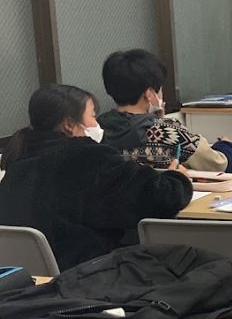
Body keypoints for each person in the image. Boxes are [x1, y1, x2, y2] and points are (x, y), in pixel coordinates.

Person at [0, 84, 192, 270]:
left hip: (23, 277)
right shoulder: (88, 157)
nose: (97, 124)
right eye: (92, 116)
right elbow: (160, 198)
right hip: (87, 273)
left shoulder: (17, 162)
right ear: (69, 125)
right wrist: (176, 178)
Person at [97, 49, 232, 172]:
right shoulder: (169, 132)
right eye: (160, 89)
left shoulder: (98, 129)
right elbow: (218, 164)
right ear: (150, 94)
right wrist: (226, 145)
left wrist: (157, 119)